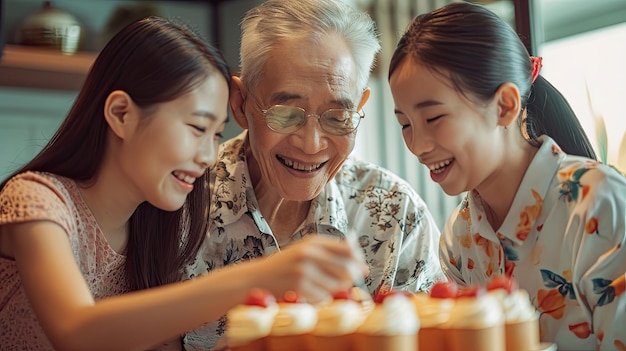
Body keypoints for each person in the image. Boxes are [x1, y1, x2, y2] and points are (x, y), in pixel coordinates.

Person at [0, 16, 368, 350]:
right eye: (196, 128)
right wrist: (258, 277)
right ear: (121, 114)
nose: (210, 156)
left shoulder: (157, 223)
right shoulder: (38, 200)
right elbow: (76, 332)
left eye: (215, 134)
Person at [183, 0, 444, 349]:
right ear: (240, 104)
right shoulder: (180, 202)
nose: (311, 144)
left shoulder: (396, 213)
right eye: (286, 113)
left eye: (337, 116)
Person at [388, 2, 626, 350]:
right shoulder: (460, 238)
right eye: (405, 125)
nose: (418, 146)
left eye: (434, 118)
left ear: (504, 106)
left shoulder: (599, 205)